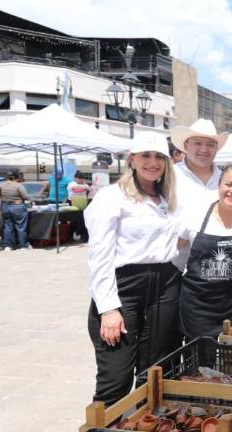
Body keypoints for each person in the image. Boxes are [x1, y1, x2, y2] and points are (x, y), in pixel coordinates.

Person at [84, 132, 183, 405]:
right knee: (115, 377)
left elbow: (180, 238)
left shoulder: (167, 198)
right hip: (124, 288)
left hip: (164, 285)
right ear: (132, 159)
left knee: (155, 371)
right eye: (146, 156)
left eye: (159, 157)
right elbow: (100, 254)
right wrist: (108, 308)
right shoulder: (111, 197)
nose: (153, 163)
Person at [179, 165, 232, 340]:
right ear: (219, 185)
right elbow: (175, 245)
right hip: (198, 304)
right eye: (229, 184)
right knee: (198, 357)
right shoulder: (195, 213)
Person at [0, 170, 31, 251]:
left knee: (7, 226)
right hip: (17, 206)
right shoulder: (18, 185)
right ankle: (23, 245)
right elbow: (26, 197)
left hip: (5, 206)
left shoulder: (0, 185)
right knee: (21, 226)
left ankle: (8, 245)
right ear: (17, 177)